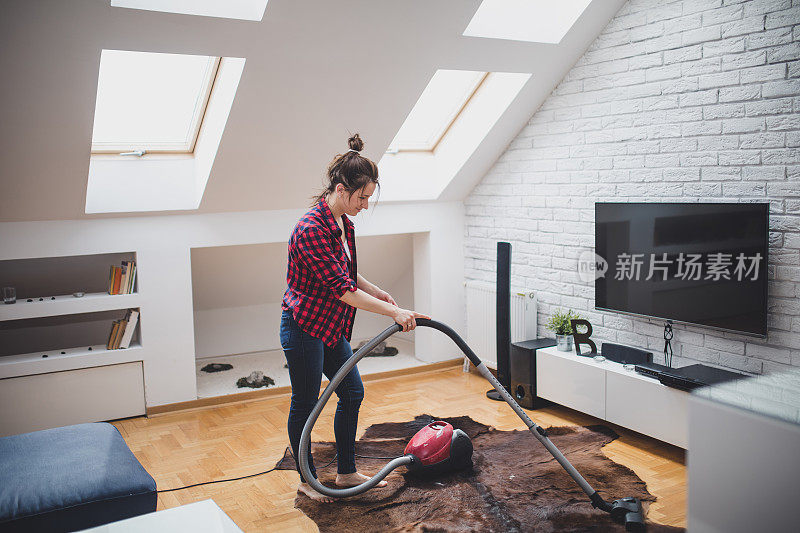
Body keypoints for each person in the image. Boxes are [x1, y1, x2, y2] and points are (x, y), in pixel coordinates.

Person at [280, 133, 429, 502]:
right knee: (306, 402)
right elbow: (342, 290)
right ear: (342, 188)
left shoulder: (342, 222)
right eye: (362, 197)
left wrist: (378, 291)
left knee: (352, 393)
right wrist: (394, 312)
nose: (365, 205)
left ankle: (346, 472)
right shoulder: (311, 228)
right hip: (303, 328)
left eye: (368, 198)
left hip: (330, 326)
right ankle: (306, 478)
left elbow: (345, 272)